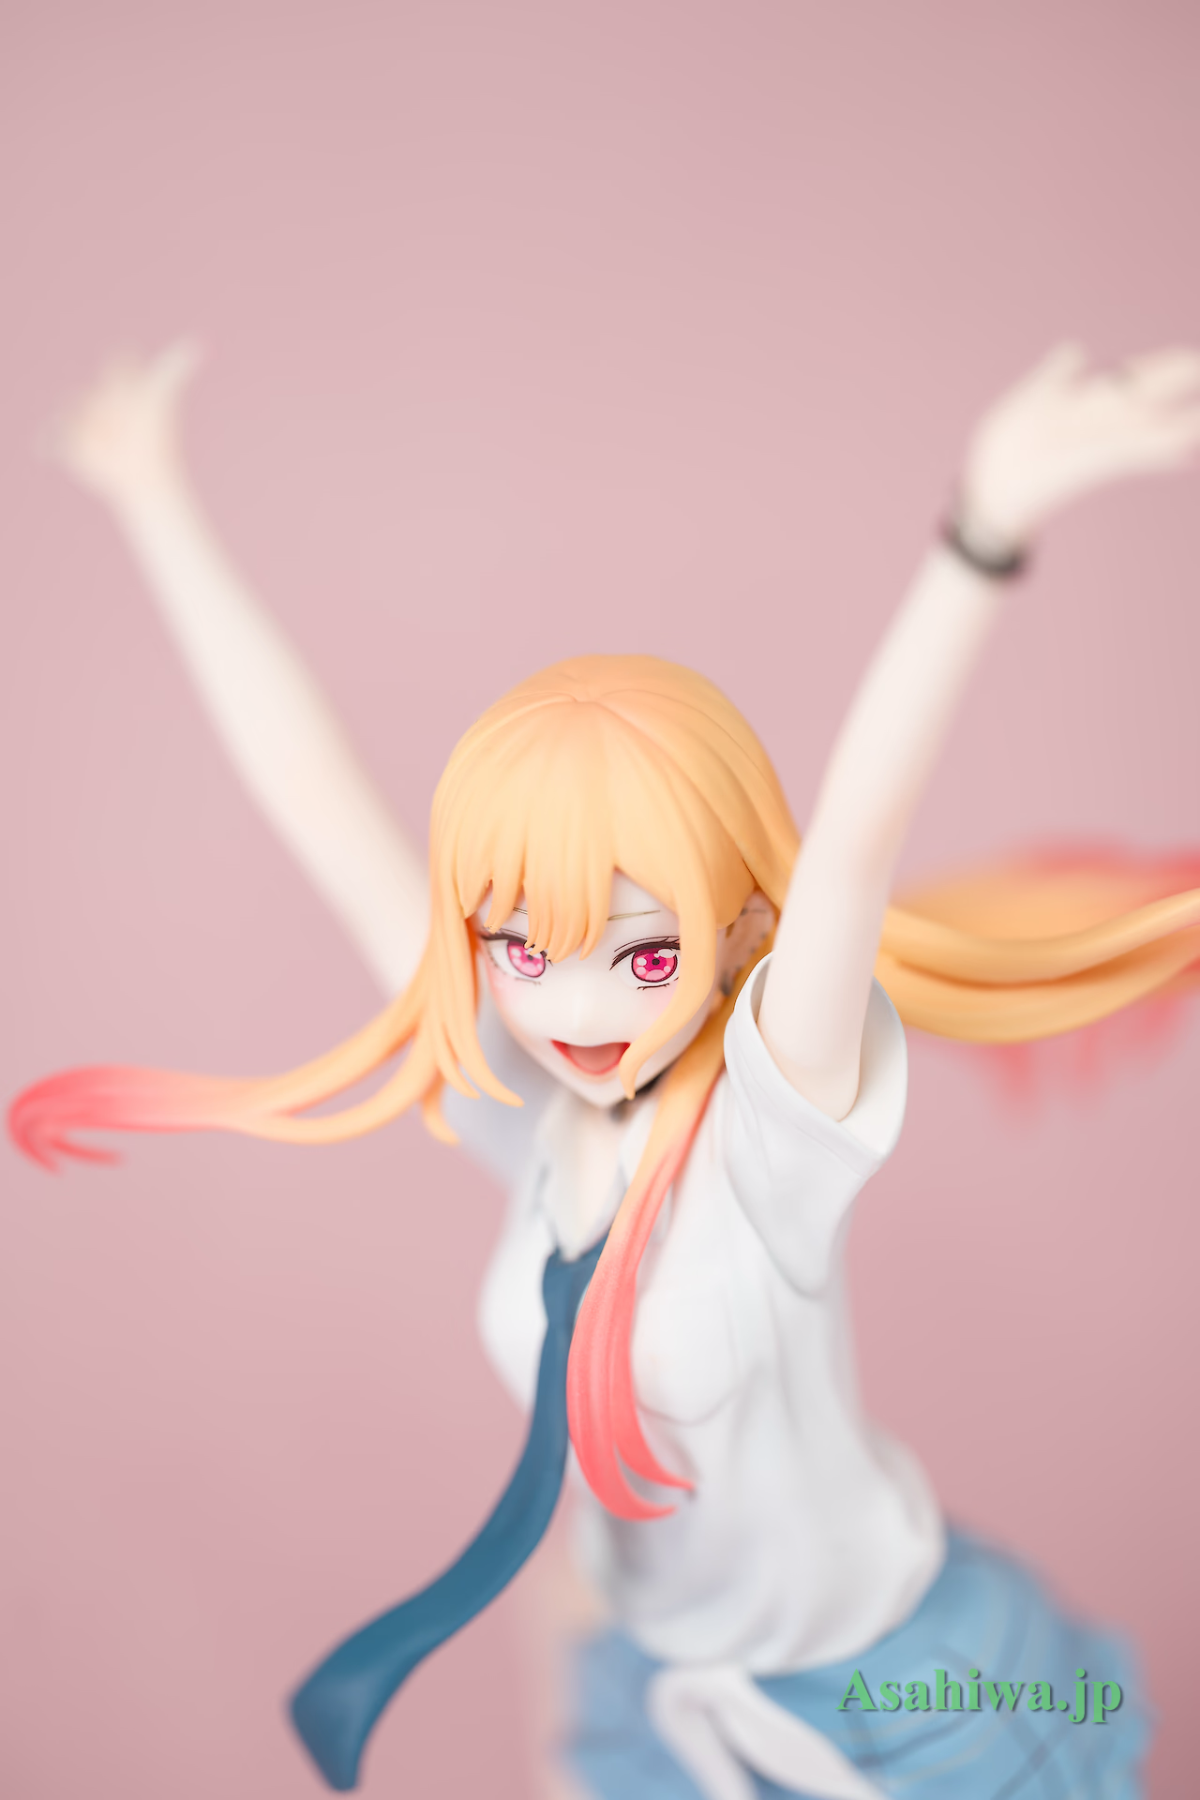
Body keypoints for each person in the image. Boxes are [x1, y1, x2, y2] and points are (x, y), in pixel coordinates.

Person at [11, 341, 1200, 1798]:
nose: (572, 1006)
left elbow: (855, 844)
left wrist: (981, 533)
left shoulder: (768, 1131)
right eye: (522, 945)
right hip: (658, 1685)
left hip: (896, 1690)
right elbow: (321, 807)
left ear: (740, 933)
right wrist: (155, 501)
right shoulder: (526, 1115)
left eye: (642, 957)